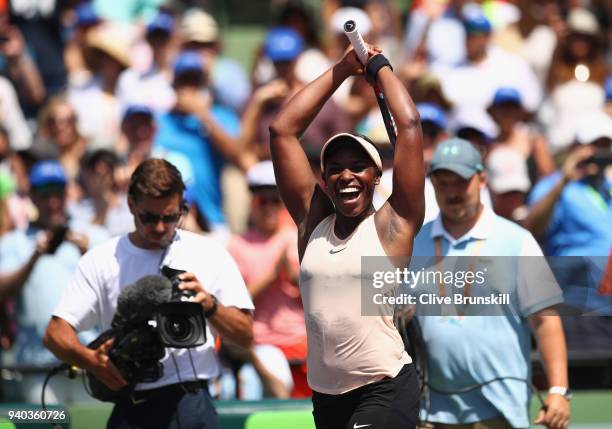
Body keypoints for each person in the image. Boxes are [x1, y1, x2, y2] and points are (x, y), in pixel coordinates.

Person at [270, 44, 423, 428]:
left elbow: (409, 127)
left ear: (376, 176)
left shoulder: (394, 224)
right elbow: (282, 130)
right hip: (326, 398)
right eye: (335, 168)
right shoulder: (313, 224)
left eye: (358, 166)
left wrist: (379, 67)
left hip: (383, 389)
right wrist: (342, 70)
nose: (346, 175)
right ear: (324, 179)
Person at [44, 159, 254, 428]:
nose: (158, 227)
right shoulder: (101, 259)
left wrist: (210, 307)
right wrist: (90, 360)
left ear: (183, 209)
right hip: (131, 401)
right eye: (149, 217)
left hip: (193, 401)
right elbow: (54, 333)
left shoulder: (210, 253)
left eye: (170, 217)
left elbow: (245, 336)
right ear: (130, 204)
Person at [412, 138, 570, 429]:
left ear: (482, 179)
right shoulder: (414, 243)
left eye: (460, 181)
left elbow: (546, 321)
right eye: (442, 183)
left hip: (500, 409)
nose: (452, 192)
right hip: (429, 412)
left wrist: (558, 390)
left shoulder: (517, 240)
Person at [0, 160, 109, 404]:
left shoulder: (93, 236)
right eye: (44, 194)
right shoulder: (14, 243)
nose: (52, 202)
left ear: (66, 194)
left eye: (58, 193)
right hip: (37, 367)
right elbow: (2, 291)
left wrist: (87, 253)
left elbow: (116, 289)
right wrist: (33, 258)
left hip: (88, 362)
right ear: (32, 197)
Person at [227, 161, 307, 399]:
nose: (269, 208)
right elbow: (234, 303)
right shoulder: (238, 245)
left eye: (276, 201)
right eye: (263, 201)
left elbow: (317, 299)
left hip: (298, 339)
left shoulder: (295, 238)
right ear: (252, 203)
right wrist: (273, 274)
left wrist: (293, 278)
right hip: (259, 343)